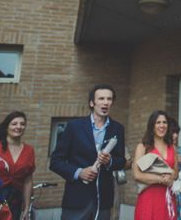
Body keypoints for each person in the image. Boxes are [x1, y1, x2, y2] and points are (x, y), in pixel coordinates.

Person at [50, 84, 125, 220]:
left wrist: (110, 161)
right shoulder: (74, 126)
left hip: (103, 201)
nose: (105, 102)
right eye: (101, 98)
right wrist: (79, 173)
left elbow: (121, 161)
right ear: (92, 103)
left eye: (109, 99)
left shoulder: (117, 128)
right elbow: (55, 161)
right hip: (76, 199)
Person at [133, 111, 178, 220]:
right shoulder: (143, 147)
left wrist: (171, 176)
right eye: (158, 122)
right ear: (152, 125)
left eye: (164, 122)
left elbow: (176, 172)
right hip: (148, 197)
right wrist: (159, 179)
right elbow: (136, 175)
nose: (162, 125)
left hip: (167, 197)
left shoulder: (172, 147)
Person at [0, 111, 35, 219]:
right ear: (7, 127)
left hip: (15, 201)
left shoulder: (29, 150)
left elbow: (28, 180)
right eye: (14, 124)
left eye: (22, 124)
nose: (19, 126)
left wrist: (26, 207)